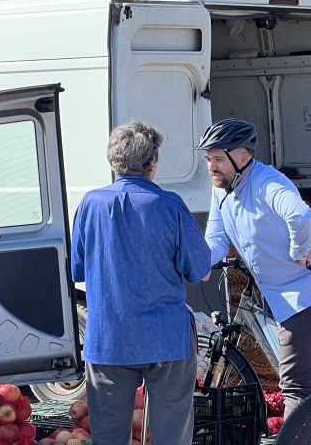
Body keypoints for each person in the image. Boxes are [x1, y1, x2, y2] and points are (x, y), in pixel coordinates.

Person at [71, 120, 211, 445]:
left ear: (113, 162)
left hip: (109, 339)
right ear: (152, 165)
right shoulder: (170, 205)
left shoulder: (89, 205)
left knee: (107, 436)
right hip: (166, 340)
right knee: (171, 435)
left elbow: (78, 270)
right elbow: (200, 271)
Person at [197, 118, 311, 418]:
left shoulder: (267, 182)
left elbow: (300, 216)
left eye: (219, 159)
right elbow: (216, 238)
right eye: (209, 159)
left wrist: (299, 251)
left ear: (243, 156)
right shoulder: (221, 190)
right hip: (288, 294)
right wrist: (199, 262)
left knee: (296, 387)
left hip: (306, 293)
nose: (212, 166)